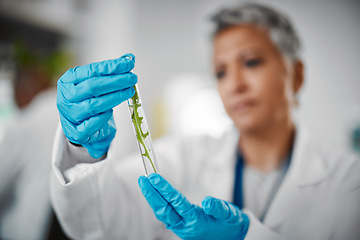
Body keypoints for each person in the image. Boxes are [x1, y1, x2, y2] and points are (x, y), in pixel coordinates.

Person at [51, 3, 360, 240]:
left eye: (251, 61)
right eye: (221, 72)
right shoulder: (185, 157)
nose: (234, 84)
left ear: (297, 75)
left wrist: (246, 236)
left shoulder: (349, 182)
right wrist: (83, 149)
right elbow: (100, 223)